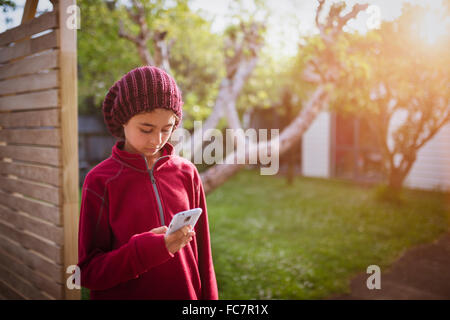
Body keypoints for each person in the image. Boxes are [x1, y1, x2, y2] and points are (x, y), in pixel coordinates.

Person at [77, 66, 218, 300]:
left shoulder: (187, 173)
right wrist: (148, 251)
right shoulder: (100, 181)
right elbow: (88, 272)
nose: (157, 140)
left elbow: (204, 258)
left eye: (167, 129)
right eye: (146, 129)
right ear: (123, 121)